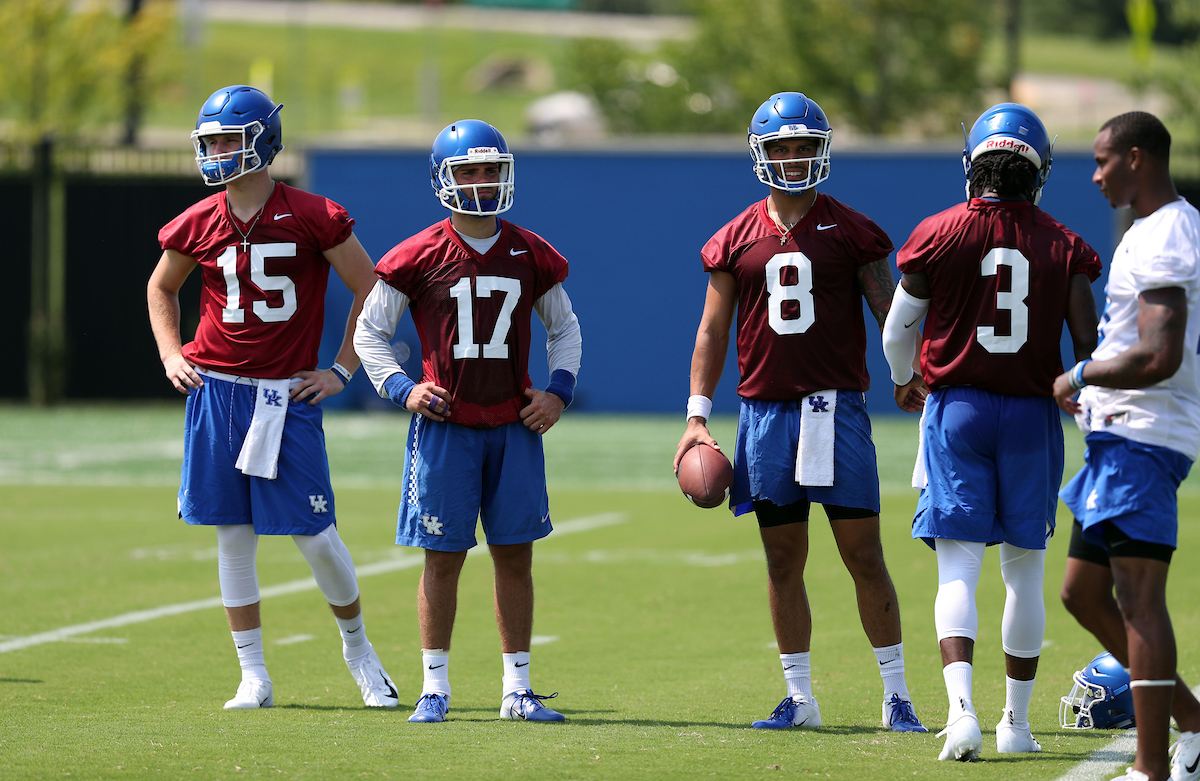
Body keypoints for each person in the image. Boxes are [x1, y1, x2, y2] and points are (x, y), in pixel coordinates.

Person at [673, 91, 926, 733]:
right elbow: (711, 331)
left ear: (823, 151)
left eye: (805, 147)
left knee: (863, 554)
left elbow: (889, 312)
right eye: (782, 147)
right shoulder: (733, 238)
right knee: (783, 560)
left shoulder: (856, 232)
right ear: (761, 154)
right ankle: (801, 698)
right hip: (764, 415)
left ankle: (897, 696)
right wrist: (697, 414)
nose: (793, 158)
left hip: (834, 410)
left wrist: (908, 376)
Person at [147, 85, 398, 710]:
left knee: (314, 535)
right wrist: (172, 354)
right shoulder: (198, 220)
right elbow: (161, 289)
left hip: (284, 396)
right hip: (217, 392)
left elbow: (373, 293)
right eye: (211, 142)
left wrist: (343, 369)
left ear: (262, 140)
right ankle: (253, 675)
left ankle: (360, 650)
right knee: (232, 537)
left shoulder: (315, 214)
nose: (218, 153)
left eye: (229, 140)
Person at [882, 102, 1102, 761]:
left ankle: (961, 716)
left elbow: (898, 331)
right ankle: (1018, 724)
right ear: (1038, 172)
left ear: (973, 164)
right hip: (1032, 414)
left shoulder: (939, 231)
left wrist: (906, 379)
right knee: (1024, 575)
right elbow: (1089, 349)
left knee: (958, 567)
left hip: (958, 409)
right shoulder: (1063, 244)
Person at [353, 119, 582, 724]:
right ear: (443, 179)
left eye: (491, 170)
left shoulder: (530, 250)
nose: (482, 182)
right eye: (468, 171)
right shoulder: (419, 253)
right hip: (446, 426)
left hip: (512, 424)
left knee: (515, 555)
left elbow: (565, 329)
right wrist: (401, 387)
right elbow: (370, 332)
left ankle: (517, 690)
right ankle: (435, 687)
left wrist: (558, 392)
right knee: (442, 556)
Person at [1053, 111, 1200, 781]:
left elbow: (1159, 354)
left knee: (1139, 598)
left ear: (1137, 158)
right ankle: (1193, 720)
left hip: (1144, 437)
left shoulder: (1169, 230)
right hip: (1117, 435)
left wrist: (1081, 372)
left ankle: (1151, 768)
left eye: (1103, 160)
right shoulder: (1150, 230)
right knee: (1082, 593)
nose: (1095, 173)